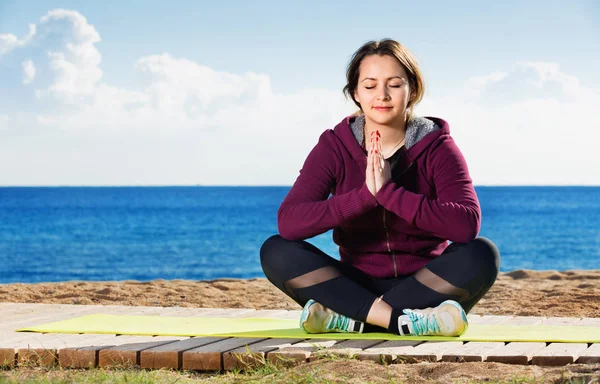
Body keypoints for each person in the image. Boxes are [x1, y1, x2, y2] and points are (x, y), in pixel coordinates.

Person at [260, 39, 500, 337]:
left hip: (425, 283)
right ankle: (400, 321)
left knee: (482, 253)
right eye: (370, 85)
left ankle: (354, 318)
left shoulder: (438, 147)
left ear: (412, 90)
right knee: (276, 250)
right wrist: (364, 198)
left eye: (394, 84)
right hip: (353, 284)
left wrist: (390, 194)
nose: (382, 96)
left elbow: (466, 225)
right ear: (355, 93)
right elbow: (290, 222)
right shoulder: (334, 147)